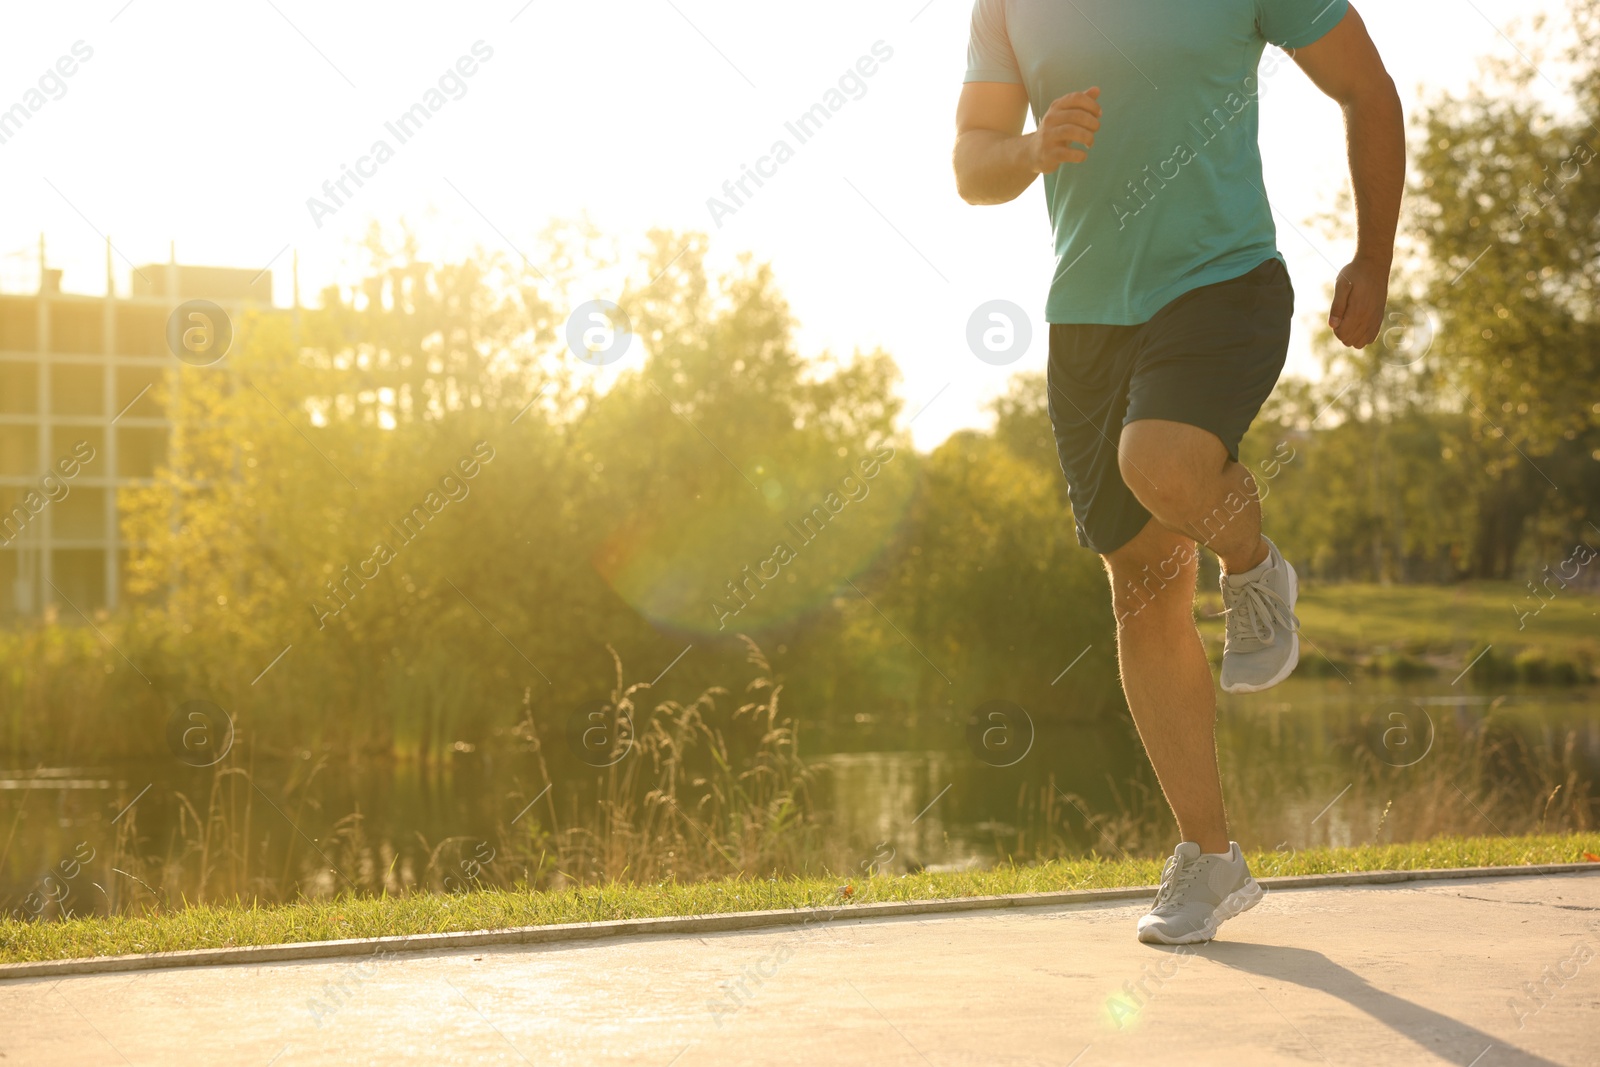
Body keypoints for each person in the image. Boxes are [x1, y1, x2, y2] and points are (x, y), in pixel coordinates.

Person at [953, 1, 1403, 943]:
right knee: (1143, 589)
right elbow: (972, 161)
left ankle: (1253, 564)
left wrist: (1373, 255)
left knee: (1158, 457)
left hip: (1223, 279)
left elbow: (1365, 87)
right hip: (1086, 316)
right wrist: (1032, 149)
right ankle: (1211, 858)